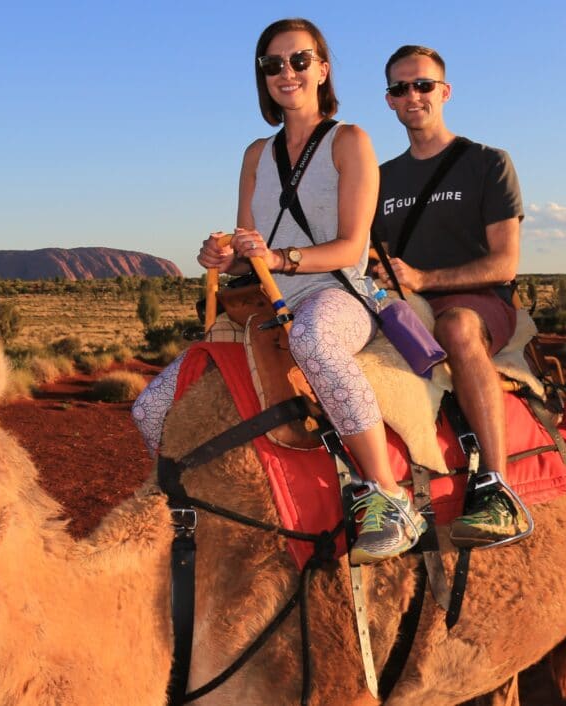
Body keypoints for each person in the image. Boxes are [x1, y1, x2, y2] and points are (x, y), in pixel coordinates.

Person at [132, 18, 425, 564]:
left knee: (313, 339)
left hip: (336, 293)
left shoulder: (350, 141)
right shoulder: (254, 155)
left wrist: (281, 257)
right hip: (264, 301)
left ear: (322, 68)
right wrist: (224, 253)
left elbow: (351, 247)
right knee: (150, 407)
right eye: (273, 64)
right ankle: (189, 506)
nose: (286, 73)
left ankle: (388, 496)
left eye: (299, 60)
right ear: (262, 76)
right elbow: (250, 243)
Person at [371, 45, 527, 547]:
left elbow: (504, 263)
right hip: (407, 305)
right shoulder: (380, 178)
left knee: (456, 327)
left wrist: (422, 279)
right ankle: (375, 493)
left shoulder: (486, 163)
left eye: (422, 85)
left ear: (445, 91)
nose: (412, 95)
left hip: (480, 303)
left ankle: (497, 491)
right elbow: (375, 254)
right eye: (400, 88)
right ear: (389, 100)